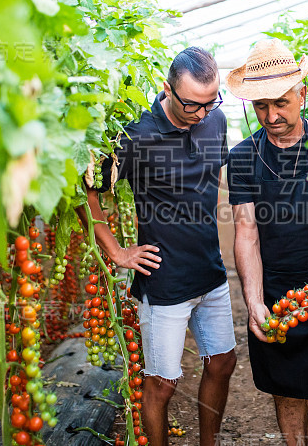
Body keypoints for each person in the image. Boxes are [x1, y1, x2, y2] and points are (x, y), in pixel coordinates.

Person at [77, 47, 237, 446]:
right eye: (191, 105)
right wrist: (116, 251)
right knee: (162, 384)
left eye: (210, 102)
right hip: (163, 279)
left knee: (222, 362)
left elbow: (210, 181)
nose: (202, 113)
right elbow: (87, 190)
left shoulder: (216, 120)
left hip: (211, 272)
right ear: (167, 90)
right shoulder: (138, 134)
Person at [225, 39, 308, 446]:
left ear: (302, 93)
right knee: (286, 393)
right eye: (261, 106)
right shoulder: (244, 157)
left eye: (280, 103)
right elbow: (246, 233)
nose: (272, 115)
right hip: (275, 294)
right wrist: (254, 301)